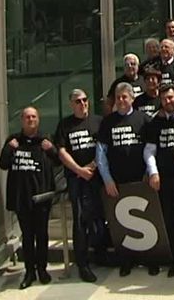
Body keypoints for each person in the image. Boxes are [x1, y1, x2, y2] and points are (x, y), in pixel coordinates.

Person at [96, 82, 156, 276]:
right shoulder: (107, 122)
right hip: (117, 182)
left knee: (147, 220)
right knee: (120, 222)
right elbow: (101, 154)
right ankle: (126, 261)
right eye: (118, 97)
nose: (121, 100)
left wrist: (150, 172)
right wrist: (107, 179)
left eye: (125, 97)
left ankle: (150, 260)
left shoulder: (144, 119)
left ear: (132, 98)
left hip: (141, 179)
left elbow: (151, 149)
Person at [0, 107, 59, 289]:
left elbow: (58, 162)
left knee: (42, 234)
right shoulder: (13, 141)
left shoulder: (45, 140)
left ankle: (42, 269)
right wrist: (10, 149)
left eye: (33, 117)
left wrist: (51, 150)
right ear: (22, 120)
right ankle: (29, 272)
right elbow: (3, 164)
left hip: (41, 198)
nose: (30, 119)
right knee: (27, 236)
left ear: (38, 120)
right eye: (27, 117)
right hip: (21, 198)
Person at [54, 90, 106, 283]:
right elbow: (61, 151)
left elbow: (103, 147)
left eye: (85, 100)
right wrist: (79, 170)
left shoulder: (98, 121)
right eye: (78, 101)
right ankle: (82, 264)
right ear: (71, 104)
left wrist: (92, 166)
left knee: (100, 217)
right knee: (80, 220)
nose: (83, 103)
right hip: (76, 179)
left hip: (97, 176)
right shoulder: (64, 125)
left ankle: (101, 254)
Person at [144, 84, 174, 277]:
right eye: (164, 99)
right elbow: (149, 151)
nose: (168, 102)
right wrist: (153, 173)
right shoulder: (155, 122)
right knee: (169, 219)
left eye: (171, 98)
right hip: (165, 178)